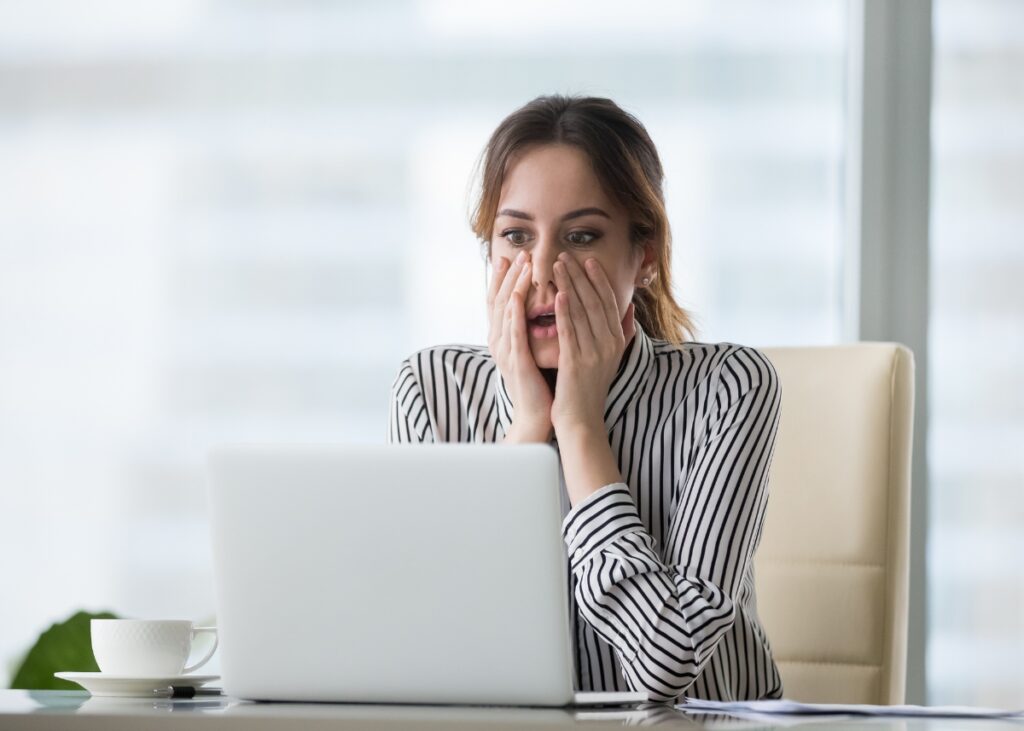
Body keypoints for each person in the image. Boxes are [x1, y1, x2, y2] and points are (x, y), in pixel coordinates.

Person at [387, 95, 783, 703]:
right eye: (515, 235)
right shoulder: (433, 391)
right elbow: (429, 648)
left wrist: (578, 429)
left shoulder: (728, 387)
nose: (542, 269)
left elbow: (665, 665)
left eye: (581, 236)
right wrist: (525, 432)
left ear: (643, 256)